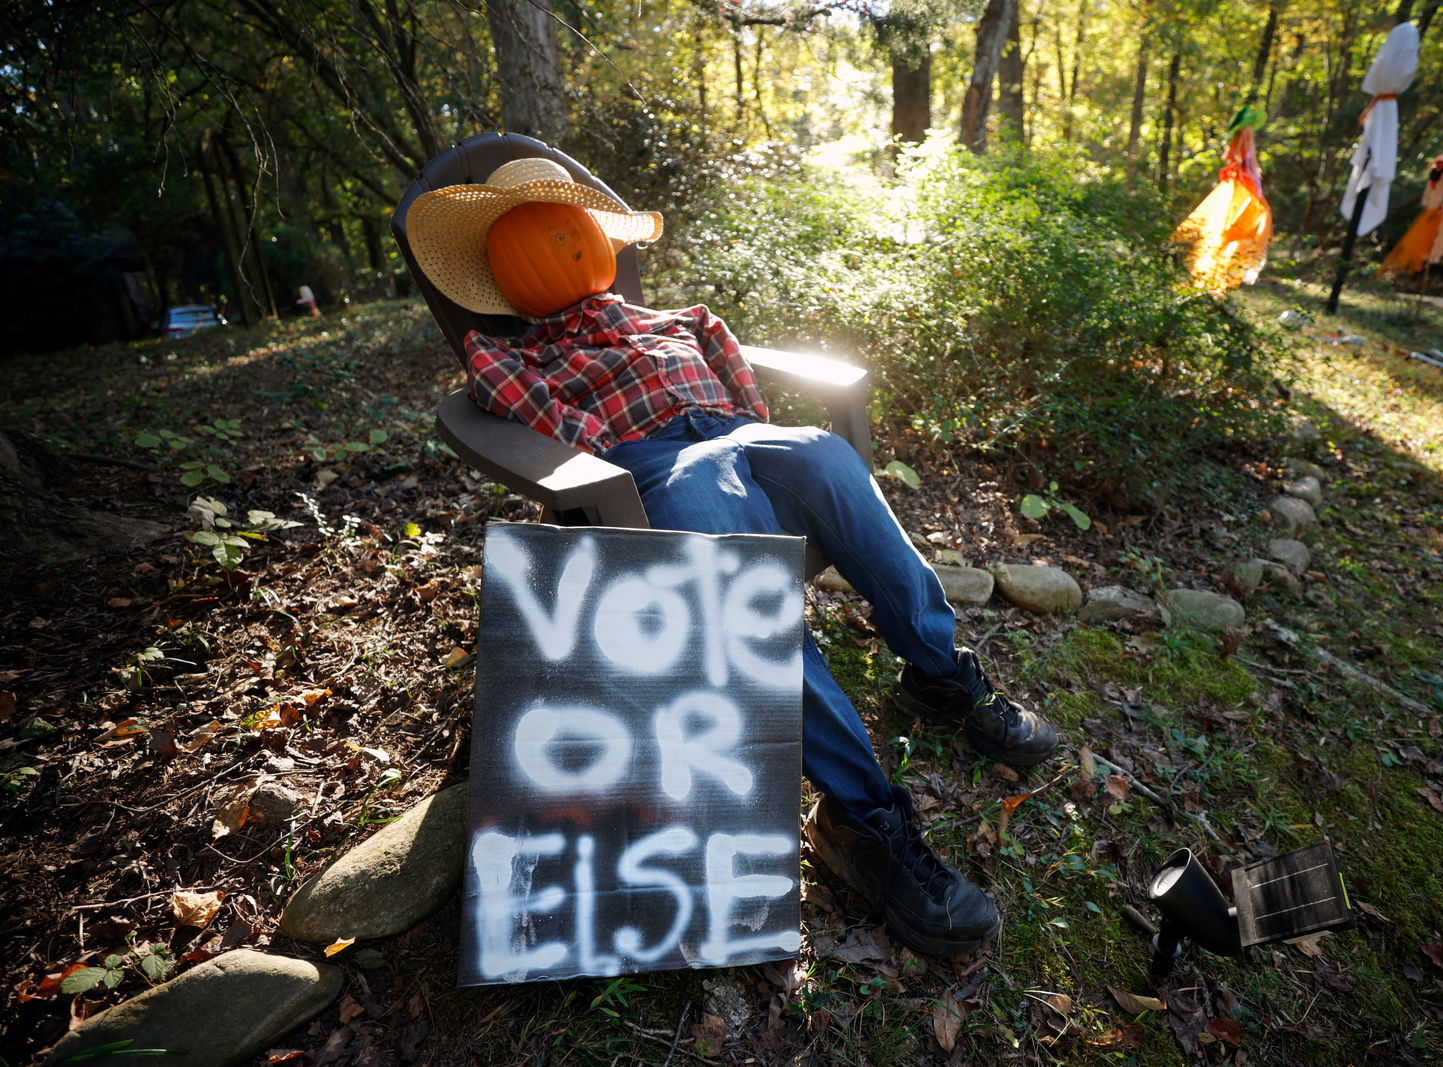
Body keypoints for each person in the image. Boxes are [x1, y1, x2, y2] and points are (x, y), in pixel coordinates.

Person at [406, 158, 1060, 957]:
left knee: (822, 451)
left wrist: (752, 457)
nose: (566, 247)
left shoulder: (683, 319)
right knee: (709, 510)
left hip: (740, 440)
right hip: (643, 469)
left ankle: (941, 675)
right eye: (538, 241)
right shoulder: (512, 355)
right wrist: (638, 475)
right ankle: (863, 819)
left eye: (573, 229)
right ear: (502, 274)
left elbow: (748, 410)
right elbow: (550, 434)